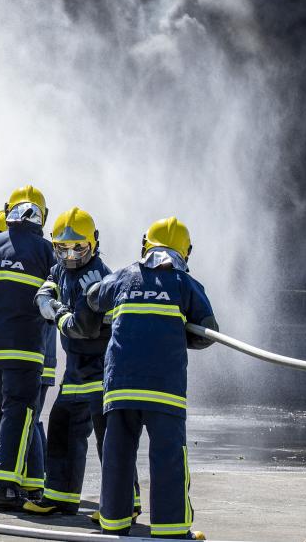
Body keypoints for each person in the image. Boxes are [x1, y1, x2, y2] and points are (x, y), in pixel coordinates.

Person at [86, 217, 216, 540]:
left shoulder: (123, 277)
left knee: (116, 456)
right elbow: (208, 331)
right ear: (185, 253)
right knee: (169, 458)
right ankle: (171, 531)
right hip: (164, 391)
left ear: (146, 245)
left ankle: (113, 524)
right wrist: (176, 331)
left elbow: (93, 298)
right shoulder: (185, 284)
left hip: (120, 389)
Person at [32, 207, 141, 518]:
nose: (69, 255)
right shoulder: (61, 271)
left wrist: (56, 312)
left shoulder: (98, 278)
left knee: (110, 437)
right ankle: (60, 496)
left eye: (78, 247)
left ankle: (126, 504)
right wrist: (47, 299)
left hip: (103, 367)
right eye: (61, 248)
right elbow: (45, 292)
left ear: (93, 242)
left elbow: (84, 328)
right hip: (76, 369)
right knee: (63, 426)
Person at [0, 185, 54, 513]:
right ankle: (5, 488)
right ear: (41, 217)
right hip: (27, 347)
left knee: (1, 414)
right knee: (20, 413)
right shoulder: (46, 251)